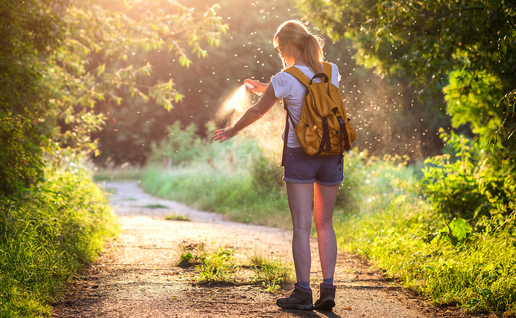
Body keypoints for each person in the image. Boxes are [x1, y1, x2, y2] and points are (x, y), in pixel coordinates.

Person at [213, 20, 342, 311]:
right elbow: (307, 88)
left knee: (301, 226)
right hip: (332, 153)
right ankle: (329, 289)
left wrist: (232, 129)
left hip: (301, 155)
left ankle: (302, 293)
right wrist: (267, 86)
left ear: (290, 46)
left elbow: (258, 111)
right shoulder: (332, 70)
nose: (279, 54)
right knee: (325, 224)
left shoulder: (283, 78)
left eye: (279, 48)